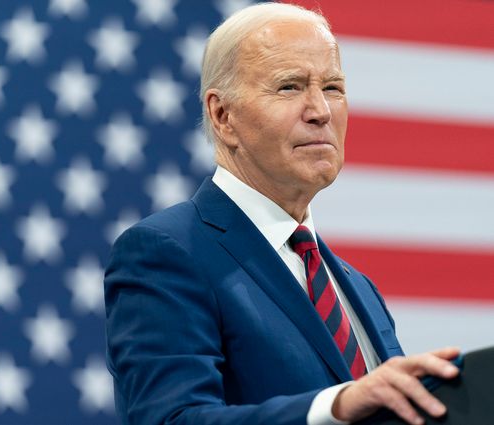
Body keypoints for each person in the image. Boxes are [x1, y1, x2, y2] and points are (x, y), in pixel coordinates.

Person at [104, 3, 460, 425]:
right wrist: (335, 406)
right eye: (290, 87)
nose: (320, 111)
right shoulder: (166, 252)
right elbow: (171, 419)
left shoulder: (358, 288)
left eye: (332, 87)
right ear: (223, 115)